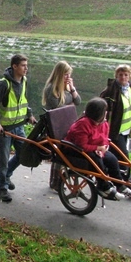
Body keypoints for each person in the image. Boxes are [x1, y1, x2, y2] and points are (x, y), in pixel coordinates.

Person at [64, 97, 131, 200]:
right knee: (97, 161)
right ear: (97, 113)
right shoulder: (83, 124)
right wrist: (98, 148)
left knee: (112, 158)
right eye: (104, 111)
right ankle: (103, 186)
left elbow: (104, 138)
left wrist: (104, 148)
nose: (106, 113)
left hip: (95, 148)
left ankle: (119, 184)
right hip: (76, 150)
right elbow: (81, 145)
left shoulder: (103, 123)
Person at [0, 54, 37, 203]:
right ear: (14, 66)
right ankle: (2, 188)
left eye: (27, 66)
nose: (26, 68)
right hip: (5, 129)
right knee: (3, 159)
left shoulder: (24, 81)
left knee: (23, 155)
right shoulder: (4, 84)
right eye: (23, 66)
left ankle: (6, 174)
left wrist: (29, 115)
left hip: (19, 126)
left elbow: (23, 101)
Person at [42, 60, 82, 191]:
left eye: (69, 75)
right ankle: (55, 181)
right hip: (54, 126)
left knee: (65, 152)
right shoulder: (51, 89)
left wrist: (72, 88)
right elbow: (57, 107)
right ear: (59, 74)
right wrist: (70, 106)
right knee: (58, 153)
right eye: (66, 75)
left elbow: (78, 101)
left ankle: (60, 180)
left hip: (66, 125)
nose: (68, 78)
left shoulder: (67, 88)